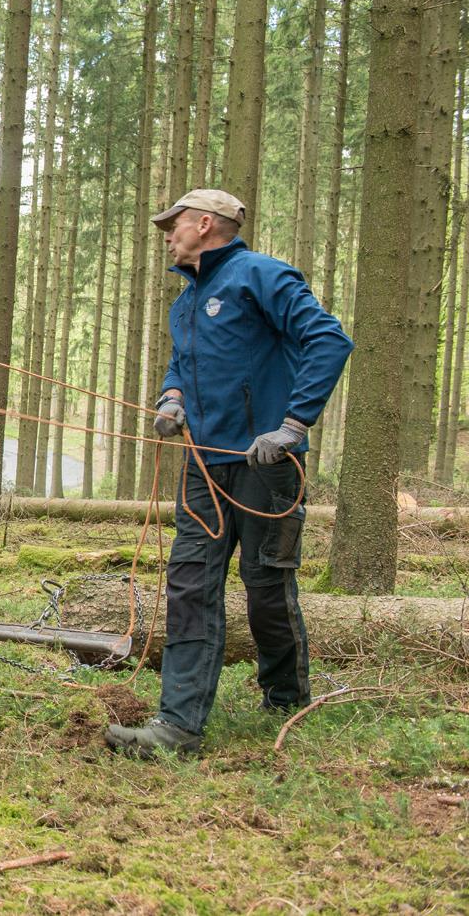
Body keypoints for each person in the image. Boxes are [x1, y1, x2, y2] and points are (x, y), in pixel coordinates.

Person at [105, 188, 353, 757]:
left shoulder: (259, 276)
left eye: (174, 226)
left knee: (266, 585)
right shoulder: (186, 301)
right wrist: (172, 399)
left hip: (267, 464)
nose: (168, 236)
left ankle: (287, 696)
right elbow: (181, 364)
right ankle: (178, 726)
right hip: (203, 466)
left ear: (206, 223)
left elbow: (328, 340)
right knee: (190, 582)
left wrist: (293, 424)